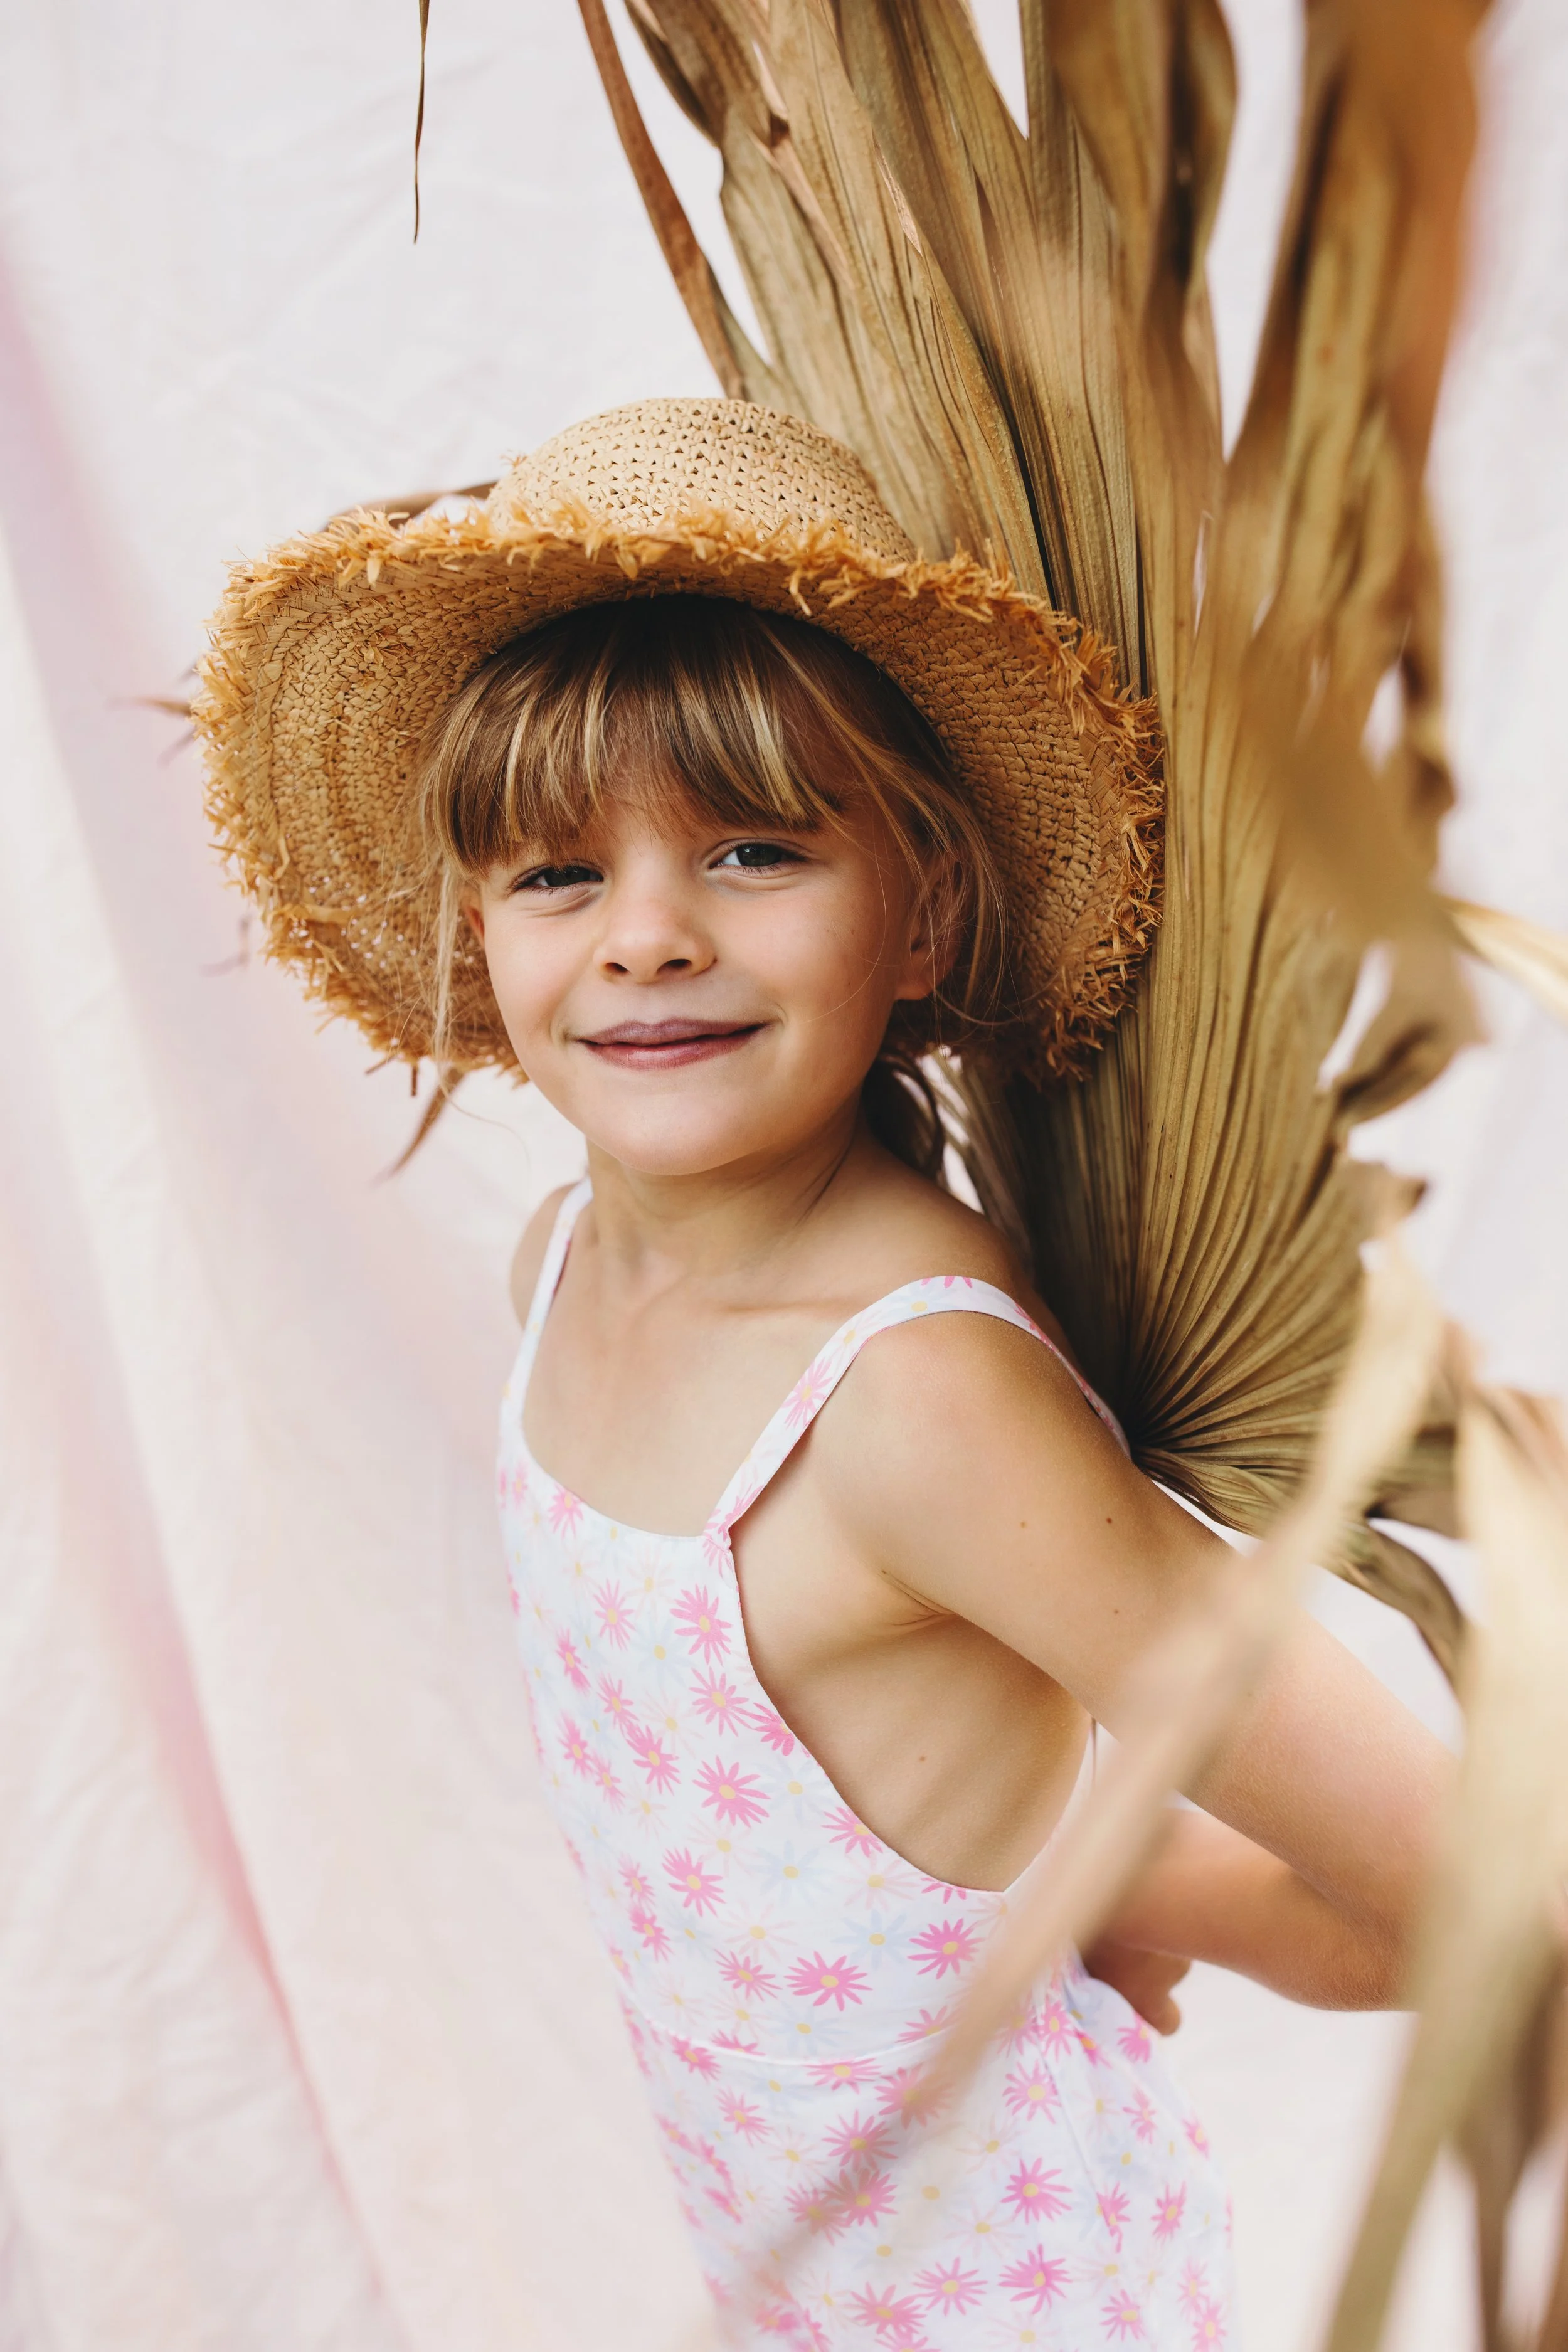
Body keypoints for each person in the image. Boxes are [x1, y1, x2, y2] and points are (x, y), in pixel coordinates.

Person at [199, 398, 1448, 2348]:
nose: (643, 938)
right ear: (476, 926)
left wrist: (1147, 1883)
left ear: (923, 905)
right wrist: (1034, 1880)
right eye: (553, 876)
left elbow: (1462, 1887)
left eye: (752, 848)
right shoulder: (562, 1267)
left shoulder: (915, 1406)